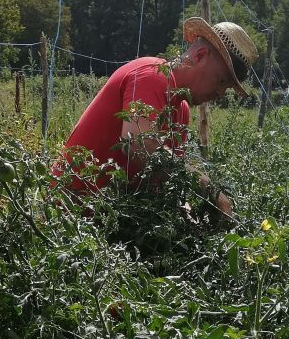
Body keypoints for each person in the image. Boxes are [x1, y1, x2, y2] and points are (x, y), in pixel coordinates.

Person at [54, 17, 259, 216]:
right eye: (221, 81)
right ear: (200, 56)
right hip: (65, 215)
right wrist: (208, 189)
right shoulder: (152, 75)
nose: (220, 93)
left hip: (105, 219)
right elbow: (136, 143)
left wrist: (190, 216)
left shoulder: (182, 110)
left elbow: (163, 179)